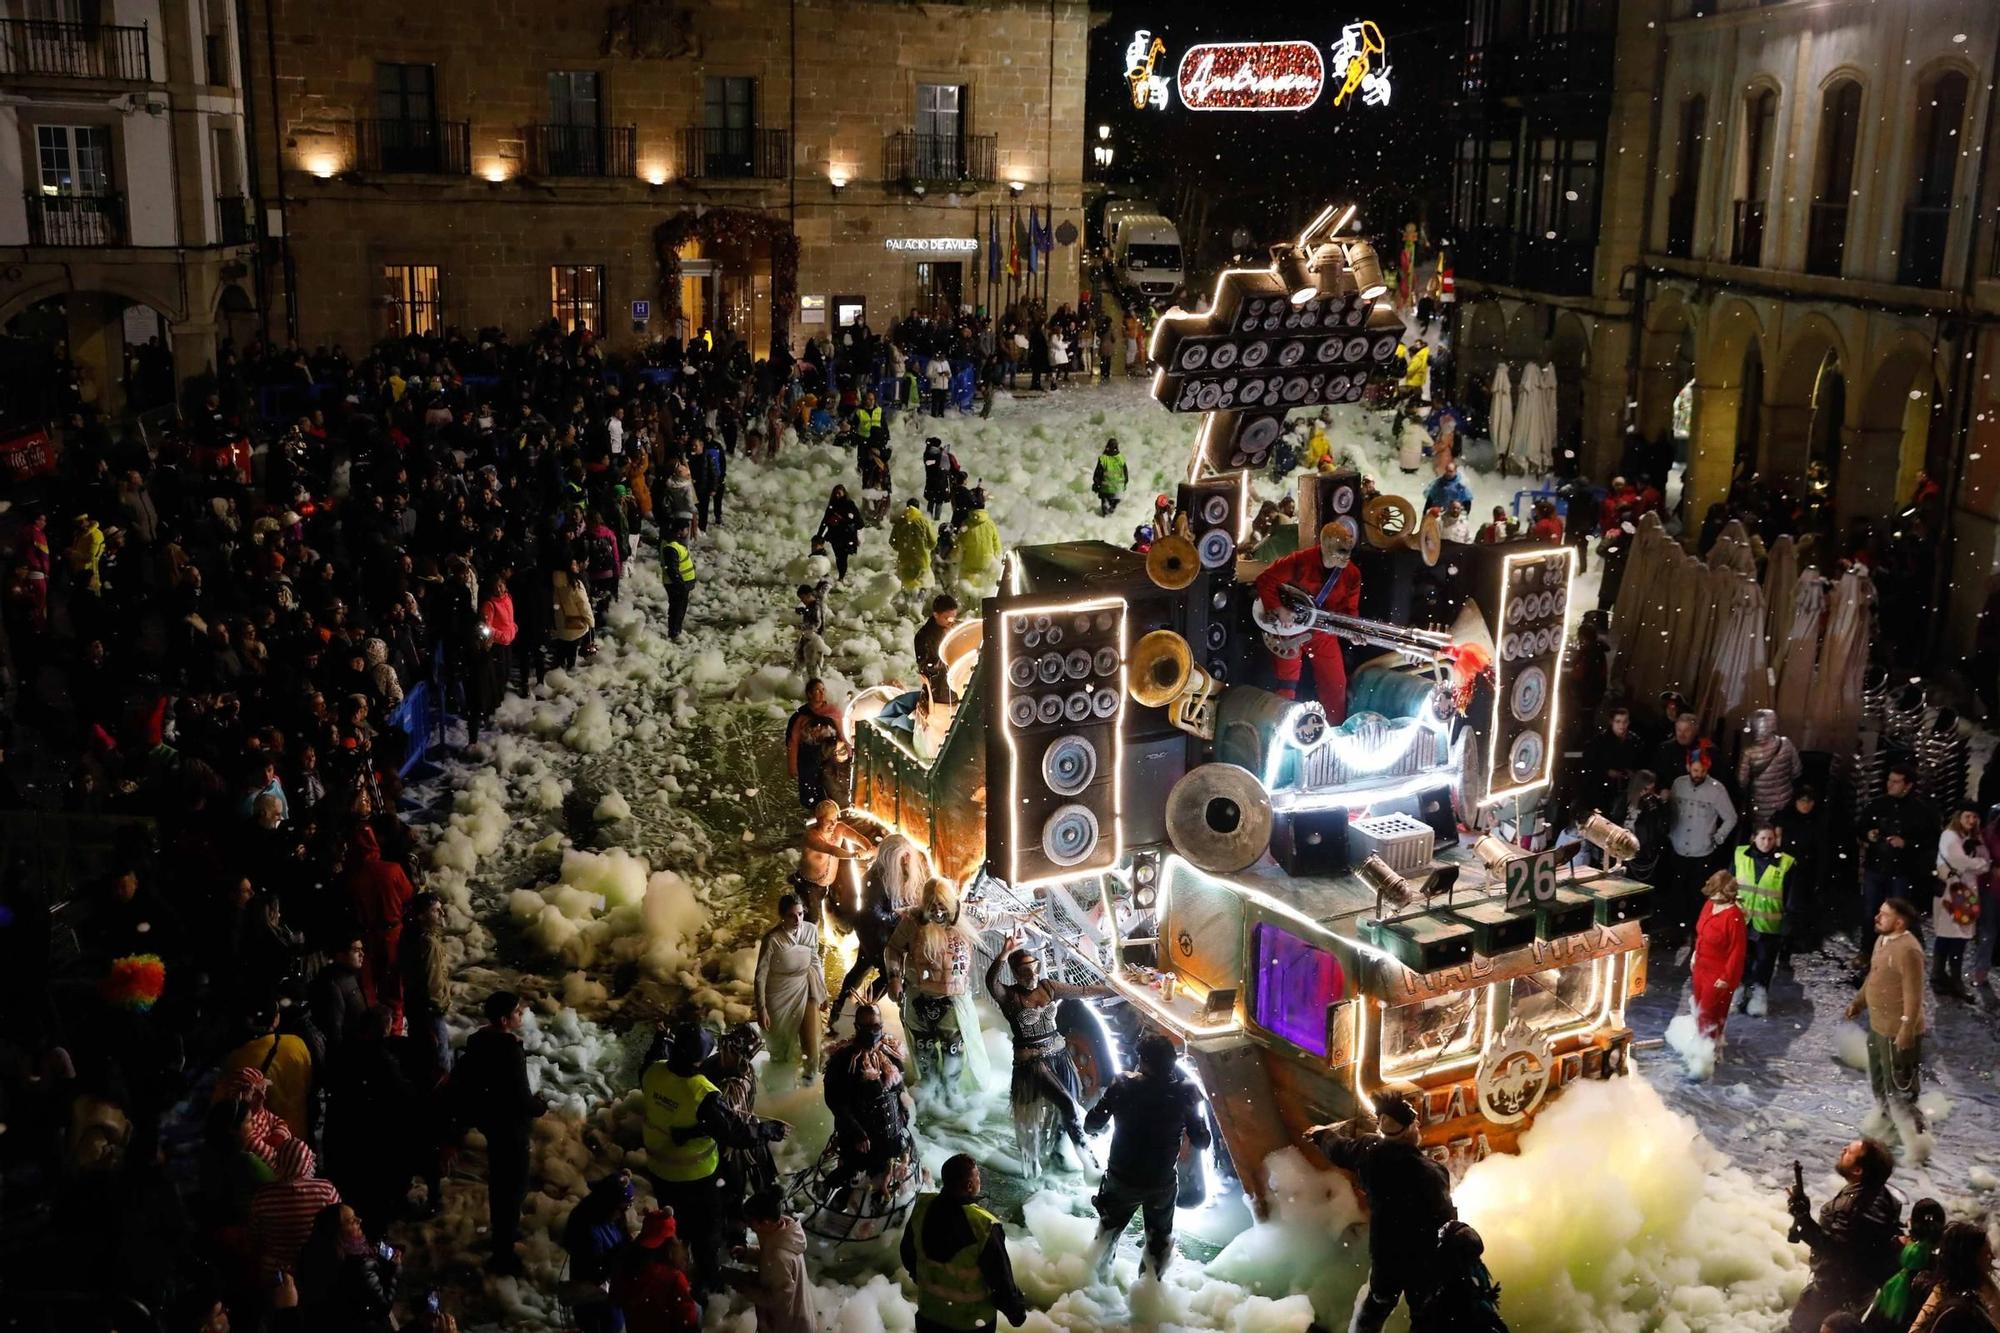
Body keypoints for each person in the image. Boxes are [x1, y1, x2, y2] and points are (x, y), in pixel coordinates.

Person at [640, 1022, 789, 1295]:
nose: (721, 1051)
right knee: (707, 1229)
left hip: (660, 1169)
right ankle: (708, 1279)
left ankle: (684, 1259)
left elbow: (653, 1057)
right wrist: (768, 1130)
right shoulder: (702, 1092)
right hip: (696, 1175)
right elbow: (735, 1131)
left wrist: (660, 1038)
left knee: (680, 1219)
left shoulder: (653, 1072)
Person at [1307, 1094, 1458, 1333]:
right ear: (1408, 1130)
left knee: (1378, 1303)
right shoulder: (1431, 1173)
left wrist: (1320, 1134)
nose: (1418, 1126)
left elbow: (1338, 1149)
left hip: (1385, 1253)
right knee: (1424, 1314)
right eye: (1415, 1123)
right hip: (1421, 1260)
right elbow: (1446, 1223)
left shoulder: (1368, 1150)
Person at [1084, 1033, 1210, 1278]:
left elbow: (1092, 1124)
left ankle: (1094, 1287)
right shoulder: (1186, 1092)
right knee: (1158, 1244)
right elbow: (1203, 1141)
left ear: (1142, 1060)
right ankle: (1148, 1299)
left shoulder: (1122, 1084)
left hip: (1122, 1178)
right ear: (1172, 1061)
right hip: (1160, 1183)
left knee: (1107, 1235)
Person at [985, 932, 1109, 1176]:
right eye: (1024, 972)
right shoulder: (1009, 996)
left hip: (1060, 1055)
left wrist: (1111, 989)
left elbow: (1082, 991)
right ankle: (1090, 1166)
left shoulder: (1048, 987)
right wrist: (1004, 953)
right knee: (1068, 1106)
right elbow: (991, 982)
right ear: (1015, 973)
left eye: (1034, 969)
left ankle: (1059, 1153)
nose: (1031, 976)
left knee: (1071, 1104)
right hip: (1032, 1062)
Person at [448, 990, 546, 1274]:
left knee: (500, 1183)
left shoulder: (479, 1041)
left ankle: (502, 1236)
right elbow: (521, 1097)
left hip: (491, 1124)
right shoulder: (510, 1050)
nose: (521, 1014)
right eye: (517, 1012)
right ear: (504, 1020)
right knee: (513, 1187)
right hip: (511, 1127)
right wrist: (540, 1105)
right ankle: (504, 1253)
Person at [884, 876, 991, 1105]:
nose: (938, 913)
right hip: (918, 997)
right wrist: (894, 978)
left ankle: (951, 1091)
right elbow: (893, 949)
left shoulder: (968, 915)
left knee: (954, 1049)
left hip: (954, 1000)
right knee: (924, 1049)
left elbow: (997, 919)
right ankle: (930, 1091)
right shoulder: (912, 920)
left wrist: (1022, 925)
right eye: (933, 907)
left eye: (943, 907)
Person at [900, 1154, 1029, 1333]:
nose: (979, 1180)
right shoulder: (983, 1225)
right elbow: (1001, 1281)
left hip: (929, 1317)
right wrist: (1017, 1313)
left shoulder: (922, 1207)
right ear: (969, 1186)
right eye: (977, 1176)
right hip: (971, 1323)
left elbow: (907, 1255)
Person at [1787, 1138, 1904, 1332]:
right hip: (1861, 1293)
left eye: (1849, 1152)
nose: (1842, 1150)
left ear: (1858, 1171)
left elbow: (1836, 1251)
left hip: (1831, 1294)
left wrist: (1804, 1218)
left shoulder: (1851, 1210)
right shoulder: (1889, 1200)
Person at [1254, 520, 1362, 720]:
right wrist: (1279, 609)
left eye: (1349, 550)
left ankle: (1334, 732)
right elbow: (1265, 580)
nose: (1346, 556)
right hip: (1288, 631)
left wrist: (1353, 631)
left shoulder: (1352, 574)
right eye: (1341, 550)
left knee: (1335, 685)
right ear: (1326, 547)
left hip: (1322, 632)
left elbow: (1349, 612)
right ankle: (1281, 729)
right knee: (1287, 686)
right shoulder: (1299, 561)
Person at [1845, 899, 1929, 1147]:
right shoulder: (1881, 940)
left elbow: (1914, 995)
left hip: (1897, 1031)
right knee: (1880, 1082)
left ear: (1899, 922)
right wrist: (1858, 1002)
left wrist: (1906, 1029)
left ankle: (1917, 1139)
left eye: (1883, 915)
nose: (1877, 918)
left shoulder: (1909, 951)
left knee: (1901, 1088)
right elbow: (1874, 975)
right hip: (1878, 1026)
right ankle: (1888, 1125)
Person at [822, 1001, 913, 1184]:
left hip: (891, 1134)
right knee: (853, 1180)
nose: (873, 1031)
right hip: (861, 1139)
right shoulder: (843, 1058)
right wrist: (857, 1132)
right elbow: (836, 1101)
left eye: (877, 1026)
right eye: (867, 1026)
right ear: (857, 1027)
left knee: (891, 1179)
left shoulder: (889, 1050)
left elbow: (898, 1088)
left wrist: (903, 1111)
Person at [1859, 765, 1940, 964]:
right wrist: (1868, 835)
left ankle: (1894, 954)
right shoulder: (1876, 805)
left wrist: (1907, 844)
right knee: (1871, 911)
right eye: (1889, 780)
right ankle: (1866, 951)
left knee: (1898, 915)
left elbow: (1930, 841)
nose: (1891, 785)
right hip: (1876, 867)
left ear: (1908, 785)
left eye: (1896, 782)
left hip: (1902, 870)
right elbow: (1861, 827)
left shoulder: (1921, 812)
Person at [1664, 742, 1738, 949]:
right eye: (1695, 770)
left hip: (1702, 853)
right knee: (1677, 895)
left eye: (1703, 771)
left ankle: (1699, 936)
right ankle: (1676, 935)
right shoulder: (1678, 784)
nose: (1698, 774)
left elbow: (1730, 818)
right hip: (1678, 849)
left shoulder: (1717, 790)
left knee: (1698, 898)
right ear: (1688, 767)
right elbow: (1670, 811)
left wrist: (1717, 838)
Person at [754, 894, 826, 1084]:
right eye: (792, 916)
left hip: (804, 985)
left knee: (812, 1046)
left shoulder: (810, 930)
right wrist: (762, 1009)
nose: (797, 920)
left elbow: (815, 960)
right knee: (781, 1049)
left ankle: (809, 1089)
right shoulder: (772, 939)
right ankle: (780, 1087)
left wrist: (822, 990)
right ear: (782, 916)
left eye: (801, 914)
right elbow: (760, 975)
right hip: (778, 993)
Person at [561, 1171, 636, 1333]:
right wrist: (620, 1255)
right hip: (595, 1298)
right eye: (622, 1207)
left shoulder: (611, 1217)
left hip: (612, 1290)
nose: (624, 1213)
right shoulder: (586, 1228)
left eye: (628, 1206)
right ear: (608, 1204)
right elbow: (594, 1272)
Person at [730, 1189, 814, 1333]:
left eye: (751, 1221)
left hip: (788, 1325)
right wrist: (747, 1253)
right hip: (795, 1316)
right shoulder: (782, 1231)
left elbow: (778, 1300)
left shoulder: (780, 1257)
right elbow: (768, 1255)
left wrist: (747, 1289)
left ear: (766, 1222)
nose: (748, 1226)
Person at [1735, 822, 1795, 1017]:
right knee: (1739, 961)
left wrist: (1788, 920)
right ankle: (1737, 994)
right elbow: (1729, 884)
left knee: (1764, 962)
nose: (1767, 843)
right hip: (1741, 921)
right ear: (1754, 838)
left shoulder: (1786, 863)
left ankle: (1759, 997)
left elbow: (1791, 895)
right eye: (1763, 838)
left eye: (1771, 839)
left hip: (1769, 924)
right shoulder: (1740, 855)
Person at [609, 1209, 701, 1333]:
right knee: (697, 1309)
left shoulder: (626, 1268)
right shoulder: (673, 1278)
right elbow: (688, 1320)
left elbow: (616, 1299)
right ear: (671, 1245)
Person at [1689, 869, 1748, 1055]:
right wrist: (1695, 954)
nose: (1713, 896)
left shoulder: (1734, 917)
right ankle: (1705, 1045)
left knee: (1709, 1011)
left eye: (1717, 892)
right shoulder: (1709, 905)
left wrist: (1727, 977)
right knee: (1700, 1010)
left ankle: (1707, 1051)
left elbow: (1737, 952)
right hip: (1701, 966)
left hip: (1719, 971)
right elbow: (1701, 933)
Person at [1932, 805, 1987, 1002]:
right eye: (1967, 816)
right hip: (1951, 893)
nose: (1971, 820)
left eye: (1974, 816)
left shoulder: (1973, 838)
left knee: (1958, 937)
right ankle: (1944, 977)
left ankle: (1945, 976)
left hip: (1965, 893)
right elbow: (1959, 861)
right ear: (1959, 816)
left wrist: (1979, 862)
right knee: (1949, 936)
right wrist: (1980, 864)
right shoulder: (1949, 836)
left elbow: (1982, 857)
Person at [1869, 1197, 1945, 1332]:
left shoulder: (1893, 1245)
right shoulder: (1938, 1265)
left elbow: (1875, 1276)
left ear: (1911, 1221)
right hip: (1910, 1324)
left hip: (1881, 1315)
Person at [1908, 1222, 2000, 1332]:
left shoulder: (1983, 1285)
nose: (1993, 1257)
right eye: (1986, 1253)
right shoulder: (1954, 1305)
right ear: (1970, 1260)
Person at [1579, 706, 1648, 822]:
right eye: (1618, 721)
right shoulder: (1599, 741)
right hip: (1602, 790)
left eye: (1625, 721)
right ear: (1611, 722)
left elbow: (1640, 761)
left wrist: (1632, 773)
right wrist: (1606, 772)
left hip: (1627, 789)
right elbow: (1589, 764)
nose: (1622, 725)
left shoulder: (1634, 741)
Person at [784, 679, 843, 810]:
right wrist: (792, 766)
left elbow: (842, 735)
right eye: (817, 690)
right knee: (811, 796)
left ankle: (831, 815)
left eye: (823, 690)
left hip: (829, 758)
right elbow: (793, 742)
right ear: (809, 694)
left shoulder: (832, 712)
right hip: (808, 759)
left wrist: (846, 752)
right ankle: (816, 818)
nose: (821, 694)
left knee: (833, 792)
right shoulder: (800, 716)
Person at [913, 593, 959, 706]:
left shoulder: (957, 627)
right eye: (947, 618)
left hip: (960, 682)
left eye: (953, 617)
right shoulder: (924, 636)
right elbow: (925, 666)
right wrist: (947, 657)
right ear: (936, 615)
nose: (951, 621)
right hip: (940, 691)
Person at [890, 500, 937, 606]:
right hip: (922, 559)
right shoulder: (923, 521)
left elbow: (892, 541)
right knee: (924, 583)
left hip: (904, 559)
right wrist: (926, 547)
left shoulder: (900, 522)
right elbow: (933, 541)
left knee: (906, 584)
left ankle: (907, 605)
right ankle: (918, 604)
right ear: (918, 508)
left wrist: (902, 549)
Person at [814, 485, 863, 580]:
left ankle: (841, 576)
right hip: (835, 535)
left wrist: (845, 520)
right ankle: (841, 576)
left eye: (839, 493)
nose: (837, 495)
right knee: (838, 556)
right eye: (835, 493)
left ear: (844, 493)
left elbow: (859, 522)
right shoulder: (832, 506)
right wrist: (819, 535)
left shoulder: (849, 504)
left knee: (843, 557)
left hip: (846, 535)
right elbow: (825, 521)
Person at [661, 519, 696, 641]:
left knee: (679, 610)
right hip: (677, 585)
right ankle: (674, 634)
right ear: (680, 531)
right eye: (686, 529)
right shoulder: (672, 547)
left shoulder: (676, 544)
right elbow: (672, 570)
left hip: (681, 584)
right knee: (677, 610)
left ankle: (676, 632)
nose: (688, 531)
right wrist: (680, 585)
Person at [1092, 438, 1128, 516]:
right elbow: (1126, 474)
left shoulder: (1103, 458)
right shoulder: (1121, 458)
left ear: (1107, 446)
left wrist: (1096, 485)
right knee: (1114, 513)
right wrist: (1124, 485)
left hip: (1106, 490)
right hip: (1118, 490)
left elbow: (1097, 474)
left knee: (1105, 514)